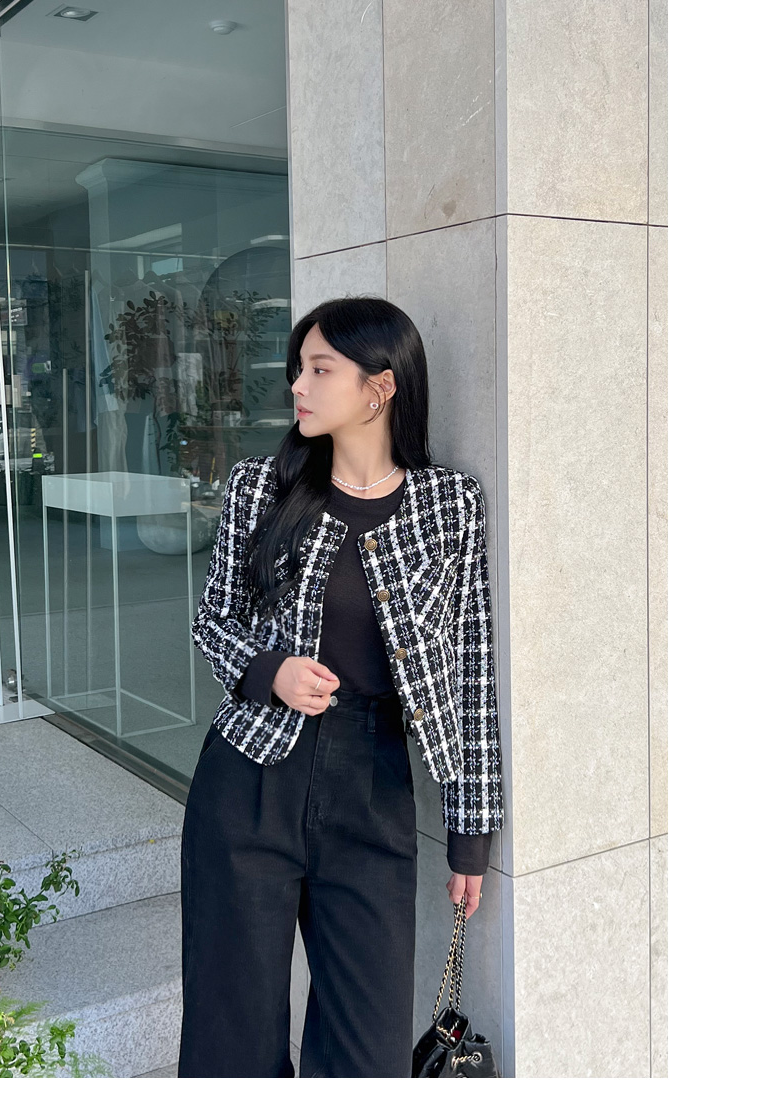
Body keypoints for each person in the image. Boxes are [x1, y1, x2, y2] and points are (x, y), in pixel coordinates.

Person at [179, 296, 504, 1078]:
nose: (298, 384)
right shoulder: (261, 486)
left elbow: (472, 670)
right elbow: (213, 619)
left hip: (373, 788)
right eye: (300, 367)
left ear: (380, 387)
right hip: (250, 781)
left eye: (320, 369)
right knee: (233, 1041)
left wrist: (471, 832)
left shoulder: (450, 505)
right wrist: (270, 671)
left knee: (368, 1049)